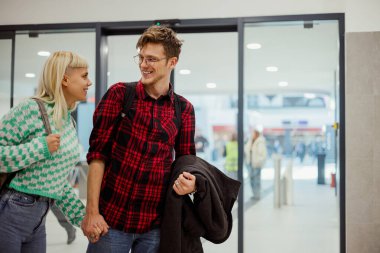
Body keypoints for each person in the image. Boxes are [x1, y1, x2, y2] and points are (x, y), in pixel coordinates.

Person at [82, 25, 196, 253]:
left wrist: (191, 184)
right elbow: (97, 156)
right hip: (110, 222)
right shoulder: (119, 95)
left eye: (152, 59)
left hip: (154, 226)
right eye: (141, 57)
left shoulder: (183, 109)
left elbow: (186, 161)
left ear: (172, 62)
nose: (144, 65)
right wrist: (92, 212)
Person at [0, 51, 99, 252]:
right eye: (84, 76)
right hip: (11, 213)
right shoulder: (31, 109)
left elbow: (57, 179)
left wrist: (82, 218)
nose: (89, 82)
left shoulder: (67, 121)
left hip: (39, 218)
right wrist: (40, 147)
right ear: (64, 79)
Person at [245, 129, 267, 200]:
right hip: (250, 164)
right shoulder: (250, 141)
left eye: (253, 133)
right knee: (251, 180)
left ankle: (257, 195)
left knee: (256, 181)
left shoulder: (260, 142)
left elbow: (263, 154)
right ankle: (254, 194)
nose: (252, 134)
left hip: (256, 165)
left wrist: (258, 161)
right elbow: (246, 149)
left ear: (256, 134)